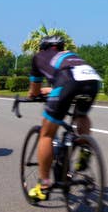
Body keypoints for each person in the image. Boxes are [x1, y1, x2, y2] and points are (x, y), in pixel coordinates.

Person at [26, 36, 102, 202]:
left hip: (68, 82)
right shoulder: (69, 55)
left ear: (43, 48)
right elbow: (66, 76)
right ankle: (84, 147)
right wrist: (53, 89)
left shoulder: (39, 57)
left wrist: (34, 94)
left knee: (46, 134)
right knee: (81, 115)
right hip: (92, 80)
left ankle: (43, 185)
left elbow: (35, 90)